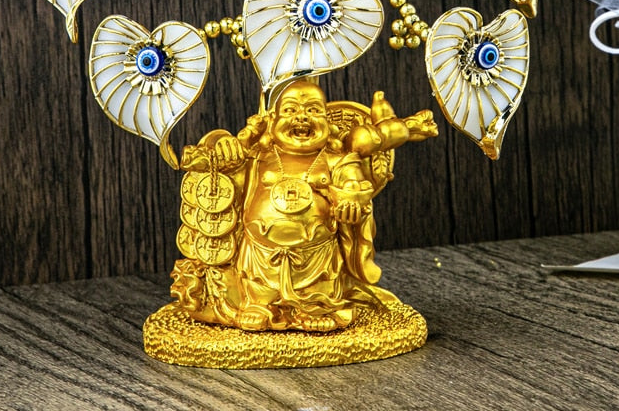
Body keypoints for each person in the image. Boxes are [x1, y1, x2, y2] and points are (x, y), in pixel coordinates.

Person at [170, 79, 437, 331]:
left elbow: (354, 185)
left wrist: (350, 200)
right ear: (272, 121)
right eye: (290, 110)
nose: (302, 117)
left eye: (313, 110)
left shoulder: (337, 160)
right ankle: (257, 304)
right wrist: (226, 144)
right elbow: (213, 161)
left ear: (328, 122)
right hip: (260, 257)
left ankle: (319, 308)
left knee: (319, 285)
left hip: (316, 258)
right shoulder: (258, 157)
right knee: (257, 286)